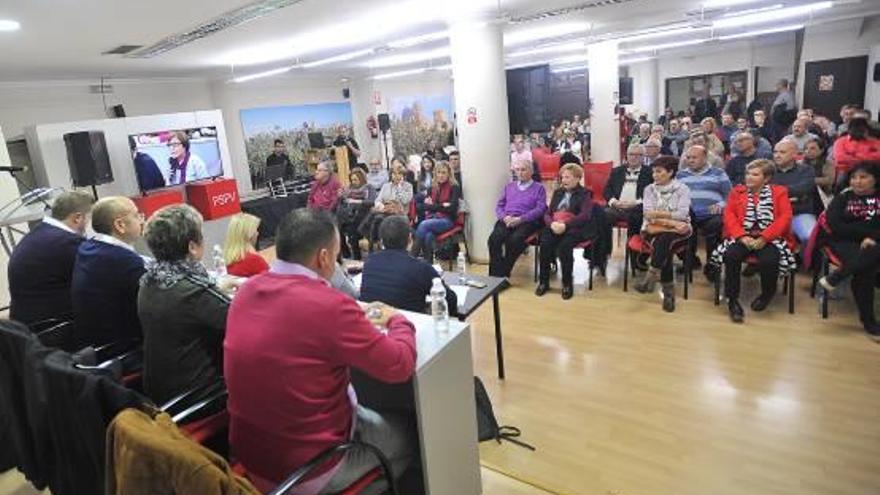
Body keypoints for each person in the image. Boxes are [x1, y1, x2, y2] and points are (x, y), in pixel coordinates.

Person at [225, 208, 417, 494]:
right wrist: (398, 320)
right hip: (308, 467)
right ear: (325, 257)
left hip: (249, 456)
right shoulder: (329, 305)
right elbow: (398, 364)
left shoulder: (246, 292)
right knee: (411, 436)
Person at [139, 204, 231, 405]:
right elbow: (241, 321)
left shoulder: (149, 280)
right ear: (192, 247)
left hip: (158, 388)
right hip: (197, 395)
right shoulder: (193, 291)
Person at [710, 160, 795, 324]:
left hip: (769, 237)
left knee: (769, 259)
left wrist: (765, 238)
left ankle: (767, 294)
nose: (749, 177)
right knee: (731, 256)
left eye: (755, 174)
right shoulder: (737, 191)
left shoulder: (779, 192)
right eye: (748, 173)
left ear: (767, 178)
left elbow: (785, 217)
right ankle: (732, 300)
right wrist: (741, 236)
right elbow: (729, 216)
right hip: (743, 236)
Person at [8, 191, 94, 325]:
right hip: (56, 327)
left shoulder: (36, 234)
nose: (88, 223)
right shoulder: (67, 242)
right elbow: (99, 277)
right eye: (89, 218)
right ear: (78, 218)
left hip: (24, 326)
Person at [71, 197, 146, 347]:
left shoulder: (88, 248)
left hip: (93, 344)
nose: (142, 220)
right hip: (123, 348)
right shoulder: (125, 262)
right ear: (120, 225)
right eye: (137, 215)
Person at [818, 162, 880, 338]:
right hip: (844, 242)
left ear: (875, 179)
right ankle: (868, 321)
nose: (857, 182)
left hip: (874, 243)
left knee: (870, 256)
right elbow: (836, 227)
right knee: (866, 268)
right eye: (853, 177)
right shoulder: (843, 198)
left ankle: (837, 276)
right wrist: (868, 235)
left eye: (863, 177)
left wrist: (873, 238)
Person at [361, 215, 457, 315]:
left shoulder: (369, 262)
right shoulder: (421, 268)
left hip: (374, 324)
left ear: (381, 241)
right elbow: (451, 301)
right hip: (411, 325)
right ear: (410, 239)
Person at [634, 156, 692, 312]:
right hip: (656, 229)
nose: (655, 175)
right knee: (665, 244)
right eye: (654, 172)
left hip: (676, 232)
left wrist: (659, 216)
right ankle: (668, 294)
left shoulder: (682, 189)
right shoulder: (649, 189)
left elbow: (682, 213)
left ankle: (650, 279)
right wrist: (671, 222)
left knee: (664, 242)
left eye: (659, 172)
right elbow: (648, 214)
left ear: (671, 172)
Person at [535, 164, 594, 300]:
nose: (564, 180)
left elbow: (585, 216)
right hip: (555, 225)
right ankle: (544, 282)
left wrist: (565, 225)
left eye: (567, 177)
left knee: (564, 247)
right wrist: (552, 223)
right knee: (545, 243)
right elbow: (548, 213)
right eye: (562, 177)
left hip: (573, 227)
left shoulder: (585, 194)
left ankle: (567, 284)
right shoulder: (558, 192)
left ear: (578, 178)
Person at [677, 145, 732, 279]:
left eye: (694, 157)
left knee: (715, 226)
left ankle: (712, 265)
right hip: (689, 214)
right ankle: (690, 261)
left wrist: (721, 204)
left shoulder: (718, 173)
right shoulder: (680, 175)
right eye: (688, 157)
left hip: (712, 214)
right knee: (684, 228)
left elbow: (730, 195)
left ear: (705, 157)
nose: (690, 160)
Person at [488, 160, 547, 278]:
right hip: (507, 219)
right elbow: (499, 206)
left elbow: (540, 209)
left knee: (514, 241)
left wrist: (521, 219)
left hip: (527, 221)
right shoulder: (509, 187)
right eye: (517, 170)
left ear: (531, 171)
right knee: (494, 240)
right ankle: (495, 277)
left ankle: (503, 274)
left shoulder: (539, 188)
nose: (520, 173)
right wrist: (504, 217)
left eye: (523, 169)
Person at [411, 162, 461, 262]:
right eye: (438, 172)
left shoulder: (454, 187)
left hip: (447, 220)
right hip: (432, 218)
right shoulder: (432, 187)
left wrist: (432, 206)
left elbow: (451, 209)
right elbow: (422, 206)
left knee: (424, 225)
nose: (441, 175)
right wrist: (440, 206)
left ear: (449, 174)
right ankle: (428, 265)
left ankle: (411, 259)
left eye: (444, 173)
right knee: (428, 236)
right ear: (435, 173)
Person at [770, 139, 816, 245]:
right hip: (772, 215)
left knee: (810, 236)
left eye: (782, 152)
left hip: (799, 214)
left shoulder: (806, 170)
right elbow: (762, 190)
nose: (777, 155)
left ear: (794, 154)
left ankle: (806, 262)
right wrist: (791, 197)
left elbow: (804, 189)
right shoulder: (768, 170)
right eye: (775, 152)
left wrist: (777, 193)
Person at [604, 144, 653, 239]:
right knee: (602, 214)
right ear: (626, 155)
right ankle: (608, 248)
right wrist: (614, 202)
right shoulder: (616, 171)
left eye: (638, 155)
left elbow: (652, 193)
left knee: (636, 217)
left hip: (638, 208)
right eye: (631, 154)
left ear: (643, 157)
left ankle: (632, 248)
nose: (634, 157)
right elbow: (607, 190)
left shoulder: (650, 173)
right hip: (617, 207)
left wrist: (635, 203)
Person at [360, 164, 414, 247]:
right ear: (391, 175)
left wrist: (399, 187)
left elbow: (405, 200)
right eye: (394, 174)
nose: (397, 176)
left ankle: (373, 242)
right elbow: (378, 200)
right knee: (375, 215)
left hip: (400, 213)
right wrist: (380, 205)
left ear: (403, 175)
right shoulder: (386, 186)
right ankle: (374, 241)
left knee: (377, 218)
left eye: (399, 174)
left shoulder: (408, 186)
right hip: (385, 211)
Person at [337, 168, 376, 261]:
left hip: (364, 217)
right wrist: (341, 197)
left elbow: (371, 202)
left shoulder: (369, 187)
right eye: (352, 180)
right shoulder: (349, 189)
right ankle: (346, 254)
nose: (353, 182)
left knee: (352, 232)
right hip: (350, 217)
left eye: (356, 180)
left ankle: (356, 258)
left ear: (361, 179)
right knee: (338, 228)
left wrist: (356, 201)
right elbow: (343, 203)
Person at [832, 113, 880, 186]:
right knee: (841, 180)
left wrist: (855, 155)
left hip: (871, 171)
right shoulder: (841, 141)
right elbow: (840, 158)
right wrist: (867, 158)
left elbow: (878, 156)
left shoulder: (875, 141)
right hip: (847, 170)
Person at [223, 212, 269, 277]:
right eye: (255, 230)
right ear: (250, 234)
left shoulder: (229, 257)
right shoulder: (254, 260)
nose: (257, 233)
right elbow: (272, 282)